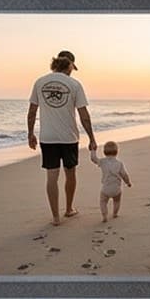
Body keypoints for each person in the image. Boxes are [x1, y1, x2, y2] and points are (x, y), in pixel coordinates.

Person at [24, 51, 97, 227]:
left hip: (47, 137)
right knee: (70, 173)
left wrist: (30, 133)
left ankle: (56, 217)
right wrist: (92, 138)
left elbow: (32, 111)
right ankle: (69, 209)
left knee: (51, 176)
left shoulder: (39, 82)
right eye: (73, 67)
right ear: (69, 65)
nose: (73, 71)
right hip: (69, 137)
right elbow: (84, 115)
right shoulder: (75, 84)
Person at [93, 139, 132, 223]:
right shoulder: (119, 163)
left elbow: (94, 159)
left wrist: (93, 150)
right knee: (117, 201)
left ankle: (104, 215)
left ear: (104, 152)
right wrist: (128, 182)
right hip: (117, 189)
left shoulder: (102, 162)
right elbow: (124, 175)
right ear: (117, 152)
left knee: (103, 202)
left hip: (106, 189)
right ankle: (115, 213)